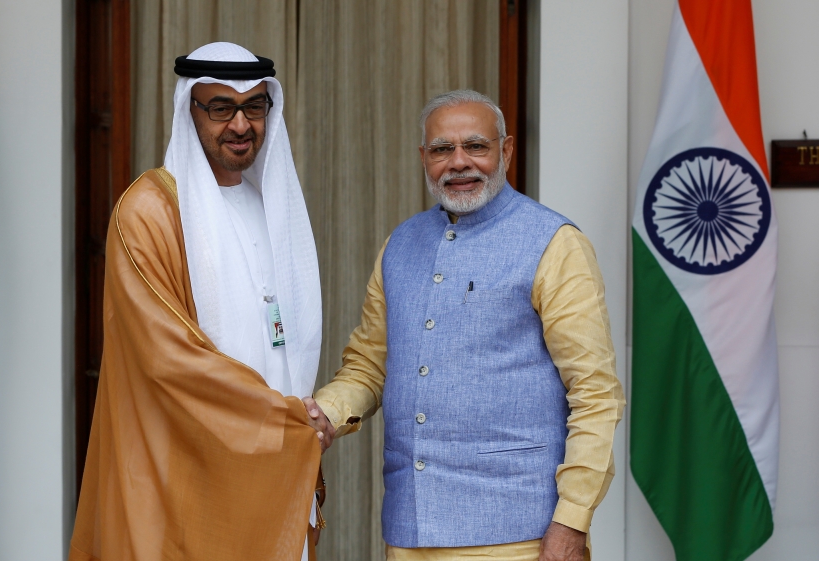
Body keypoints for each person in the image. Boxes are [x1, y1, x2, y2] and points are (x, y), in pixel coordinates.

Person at [310, 90, 626, 561]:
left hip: (519, 536)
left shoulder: (554, 243)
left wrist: (572, 521)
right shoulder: (401, 244)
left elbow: (595, 393)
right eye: (442, 150)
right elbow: (369, 367)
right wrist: (323, 416)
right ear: (424, 157)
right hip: (409, 530)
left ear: (507, 150)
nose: (459, 163)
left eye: (475, 146)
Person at [69, 42, 331, 561]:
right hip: (188, 476)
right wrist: (283, 418)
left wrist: (290, 427)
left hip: (274, 466)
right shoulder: (150, 212)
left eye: (254, 107)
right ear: (189, 111)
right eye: (220, 107)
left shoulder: (264, 205)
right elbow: (168, 360)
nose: (240, 125)